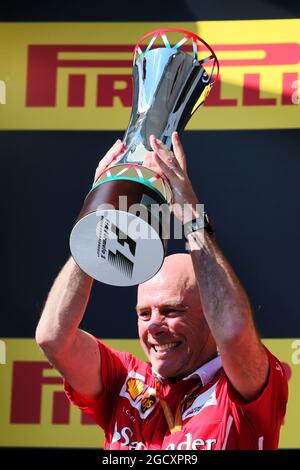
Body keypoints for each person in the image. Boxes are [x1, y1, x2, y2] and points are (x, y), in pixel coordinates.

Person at [36, 132, 288, 450]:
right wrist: (98, 219)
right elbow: (53, 338)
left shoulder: (241, 387)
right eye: (144, 313)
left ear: (211, 316)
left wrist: (191, 220)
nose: (154, 325)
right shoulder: (125, 380)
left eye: (171, 310)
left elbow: (235, 332)